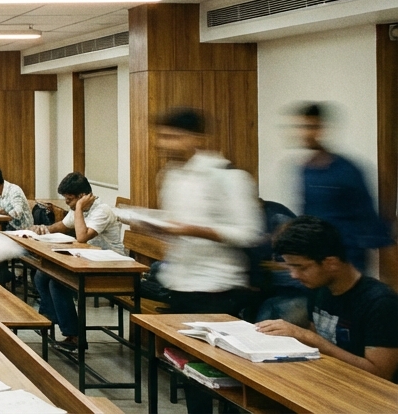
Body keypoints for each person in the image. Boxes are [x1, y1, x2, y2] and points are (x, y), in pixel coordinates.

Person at [134, 108, 263, 414]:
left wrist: (195, 230)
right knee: (191, 372)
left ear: (197, 138)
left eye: (173, 136)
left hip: (218, 288)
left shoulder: (228, 177)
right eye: (162, 136)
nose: (165, 143)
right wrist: (156, 226)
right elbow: (174, 228)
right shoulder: (170, 176)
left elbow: (249, 232)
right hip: (180, 284)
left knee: (223, 375)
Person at [256, 216, 398, 380]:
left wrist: (309, 337)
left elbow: (380, 374)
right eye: (290, 267)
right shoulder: (318, 288)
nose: (294, 275)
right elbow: (316, 348)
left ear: (331, 263)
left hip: (366, 395)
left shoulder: (381, 303)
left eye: (301, 267)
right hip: (329, 379)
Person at [31, 172, 125, 350]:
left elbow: (81, 237)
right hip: (90, 263)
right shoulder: (77, 209)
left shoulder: (101, 210)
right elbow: (63, 226)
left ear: (82, 197)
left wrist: (79, 208)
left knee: (58, 284)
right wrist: (43, 230)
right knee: (42, 275)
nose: (68, 204)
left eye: (70, 200)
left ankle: (75, 336)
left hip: (112, 268)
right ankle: (51, 320)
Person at [295, 103, 393, 271]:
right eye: (302, 127)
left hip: (348, 261)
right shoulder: (305, 170)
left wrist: (391, 265)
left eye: (311, 127)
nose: (305, 133)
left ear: (322, 129)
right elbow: (307, 216)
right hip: (316, 261)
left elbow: (370, 219)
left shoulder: (347, 170)